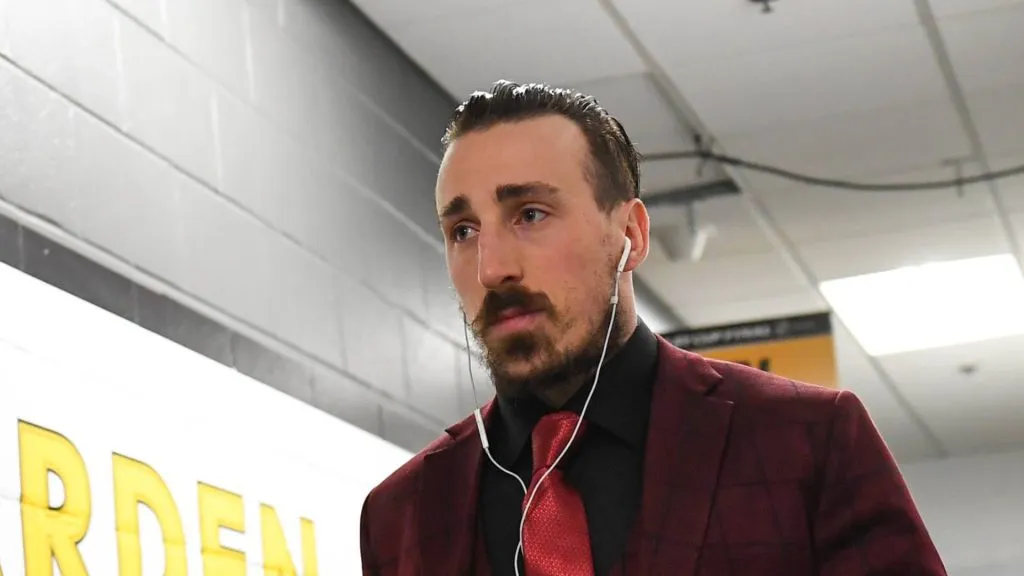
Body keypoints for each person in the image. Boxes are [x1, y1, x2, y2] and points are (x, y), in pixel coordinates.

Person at [359, 80, 947, 576]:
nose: (492, 268)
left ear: (631, 236)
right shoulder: (402, 513)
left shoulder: (807, 441)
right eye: (463, 231)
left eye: (530, 214)